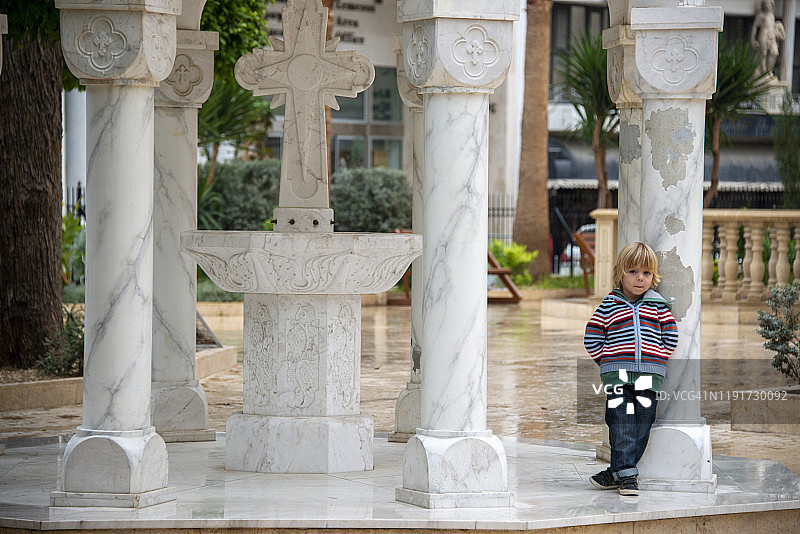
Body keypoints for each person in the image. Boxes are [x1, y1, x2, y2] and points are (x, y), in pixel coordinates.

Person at [583, 242, 678, 496]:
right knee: (621, 422)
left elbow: (670, 338)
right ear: (620, 273)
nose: (640, 278)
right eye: (633, 272)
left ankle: (616, 472)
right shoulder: (609, 304)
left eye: (646, 273)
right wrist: (607, 362)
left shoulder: (658, 306)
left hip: (649, 376)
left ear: (653, 277)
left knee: (642, 425)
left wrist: (656, 360)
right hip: (618, 376)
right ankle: (627, 479)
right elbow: (592, 337)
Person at [751, 0, 786, 77]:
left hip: (771, 36)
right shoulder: (761, 15)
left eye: (769, 4)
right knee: (763, 53)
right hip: (764, 35)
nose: (768, 5)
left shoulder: (771, 15)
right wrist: (752, 39)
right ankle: (764, 71)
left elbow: (772, 26)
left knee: (774, 52)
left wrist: (778, 26)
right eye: (766, 4)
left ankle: (768, 70)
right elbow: (755, 27)